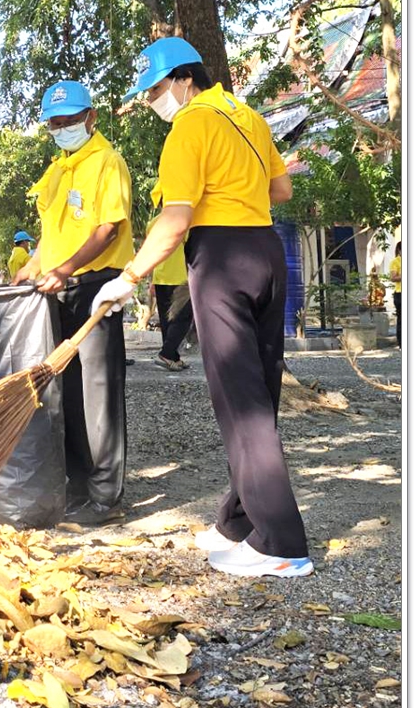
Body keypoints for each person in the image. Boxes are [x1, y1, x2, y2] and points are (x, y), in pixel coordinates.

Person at [91, 37, 313, 578]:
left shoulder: (190, 125)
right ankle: (238, 523)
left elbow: (176, 218)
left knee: (241, 402)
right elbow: (281, 189)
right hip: (264, 251)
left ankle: (281, 544)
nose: (151, 102)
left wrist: (128, 278)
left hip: (222, 258)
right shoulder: (248, 116)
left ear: (184, 79)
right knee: (258, 392)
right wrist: (236, 189)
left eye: (155, 90)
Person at [13, 79, 134, 525]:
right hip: (58, 290)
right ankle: (78, 485)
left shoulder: (107, 162)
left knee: (99, 393)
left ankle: (105, 497)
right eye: (55, 124)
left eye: (69, 121)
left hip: (96, 287)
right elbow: (52, 233)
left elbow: (108, 230)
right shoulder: (58, 170)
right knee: (66, 391)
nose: (62, 129)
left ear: (91, 117)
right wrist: (34, 265)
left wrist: (64, 269)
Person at [144, 213, 195, 372]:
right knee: (183, 316)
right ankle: (166, 353)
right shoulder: (183, 220)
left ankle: (173, 357)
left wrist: (152, 279)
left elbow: (150, 252)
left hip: (160, 276)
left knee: (167, 319)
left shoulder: (152, 223)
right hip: (179, 276)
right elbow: (190, 250)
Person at [389, 241, 402, 348]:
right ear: (399, 250)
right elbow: (393, 278)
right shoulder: (395, 262)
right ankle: (402, 343)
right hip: (400, 293)